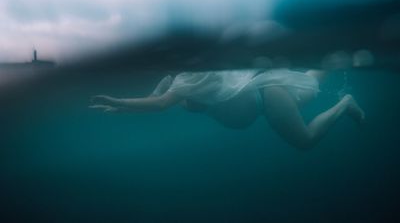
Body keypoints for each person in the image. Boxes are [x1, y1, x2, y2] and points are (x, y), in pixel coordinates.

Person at [90, 69, 365, 150]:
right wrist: (126, 110)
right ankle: (333, 60)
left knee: (305, 140)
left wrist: (121, 102)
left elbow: (160, 104)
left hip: (267, 97)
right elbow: (154, 99)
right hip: (265, 89)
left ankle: (346, 103)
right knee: (308, 81)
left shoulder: (189, 77)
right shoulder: (174, 79)